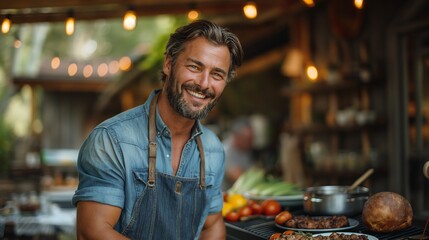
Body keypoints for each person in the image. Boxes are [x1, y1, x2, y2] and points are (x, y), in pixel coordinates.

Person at [72, 19, 243, 240]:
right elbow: (92, 232)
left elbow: (211, 226)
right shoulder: (112, 140)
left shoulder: (213, 149)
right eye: (194, 67)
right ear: (169, 64)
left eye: (217, 75)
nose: (204, 83)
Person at [222, 117, 255, 191]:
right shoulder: (225, 151)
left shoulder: (245, 150)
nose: (251, 142)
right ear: (237, 137)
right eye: (247, 139)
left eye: (252, 138)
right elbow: (238, 179)